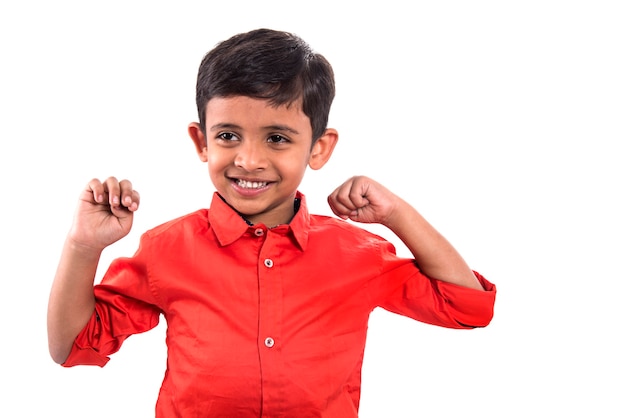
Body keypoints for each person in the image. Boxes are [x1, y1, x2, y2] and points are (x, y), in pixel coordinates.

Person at [47, 28, 496, 417]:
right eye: (228, 136)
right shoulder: (167, 248)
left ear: (318, 149)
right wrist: (83, 247)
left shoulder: (357, 254)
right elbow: (73, 346)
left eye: (277, 138)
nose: (249, 159)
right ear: (201, 141)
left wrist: (398, 213)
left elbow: (468, 307)